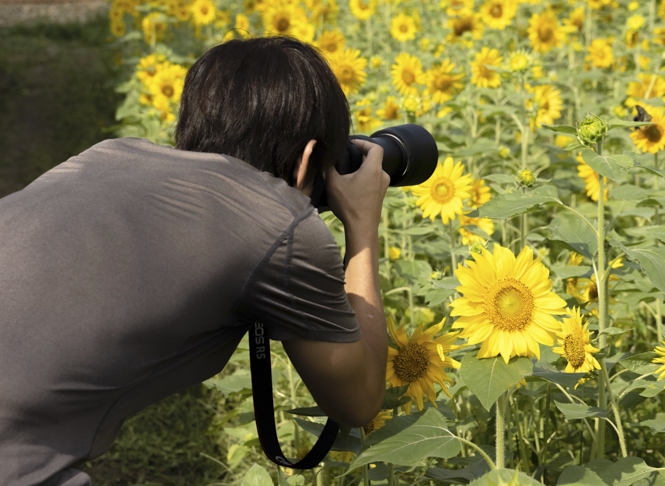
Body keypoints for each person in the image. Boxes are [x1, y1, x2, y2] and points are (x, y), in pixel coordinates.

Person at [0, 36, 390, 486]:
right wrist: (362, 226)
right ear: (308, 161)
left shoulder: (105, 154)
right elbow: (358, 401)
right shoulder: (280, 223)